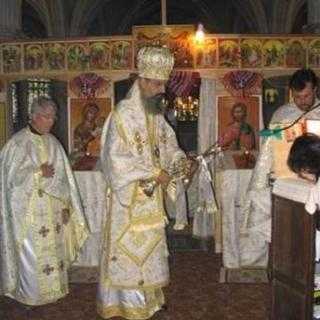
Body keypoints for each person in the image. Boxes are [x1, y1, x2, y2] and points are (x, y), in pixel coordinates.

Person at [97, 46, 196, 319]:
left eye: (163, 83)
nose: (160, 89)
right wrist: (155, 173)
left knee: (150, 252)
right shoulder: (121, 115)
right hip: (126, 203)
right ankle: (128, 304)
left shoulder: (156, 115)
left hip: (150, 202)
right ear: (141, 80)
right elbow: (114, 161)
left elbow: (168, 145)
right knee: (128, 254)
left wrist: (179, 161)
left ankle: (149, 301)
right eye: (155, 83)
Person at [0, 97, 89, 306]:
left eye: (53, 117)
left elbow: (64, 179)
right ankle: (31, 295)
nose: (51, 122)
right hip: (30, 213)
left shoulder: (53, 142)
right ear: (35, 116)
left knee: (54, 251)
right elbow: (10, 181)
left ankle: (54, 291)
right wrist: (37, 173)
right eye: (48, 117)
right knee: (33, 254)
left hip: (54, 211)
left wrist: (67, 205)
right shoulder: (17, 143)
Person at [242, 68, 320, 267]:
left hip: (316, 185)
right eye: (297, 97)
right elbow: (268, 152)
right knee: (287, 232)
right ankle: (284, 271)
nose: (302, 101)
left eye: (306, 96)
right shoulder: (282, 114)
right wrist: (259, 182)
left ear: (315, 90)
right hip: (288, 186)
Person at [72, 102, 100, 170]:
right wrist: (91, 136)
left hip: (96, 156)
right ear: (85, 113)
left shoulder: (97, 128)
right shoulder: (80, 128)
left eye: (95, 113)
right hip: (82, 158)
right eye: (90, 112)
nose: (93, 115)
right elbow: (79, 146)